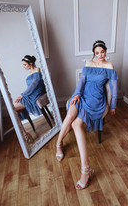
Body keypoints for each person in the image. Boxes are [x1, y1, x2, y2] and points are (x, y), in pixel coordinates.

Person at [56, 40, 118, 190]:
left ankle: (86, 170)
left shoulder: (109, 67)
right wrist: (76, 95)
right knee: (70, 114)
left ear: (106, 52)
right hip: (82, 96)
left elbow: (114, 89)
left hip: (96, 100)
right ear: (94, 53)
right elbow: (81, 83)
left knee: (76, 124)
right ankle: (58, 144)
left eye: (102, 52)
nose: (100, 55)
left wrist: (113, 106)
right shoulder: (88, 64)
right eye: (97, 53)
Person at [14, 55, 46, 121]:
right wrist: (23, 95)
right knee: (15, 110)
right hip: (31, 93)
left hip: (37, 93)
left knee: (13, 108)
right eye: (23, 65)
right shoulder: (29, 74)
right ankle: (23, 131)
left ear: (30, 64)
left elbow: (34, 84)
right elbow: (29, 87)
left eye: (25, 65)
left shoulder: (37, 70)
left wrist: (22, 95)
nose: (24, 67)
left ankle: (22, 131)